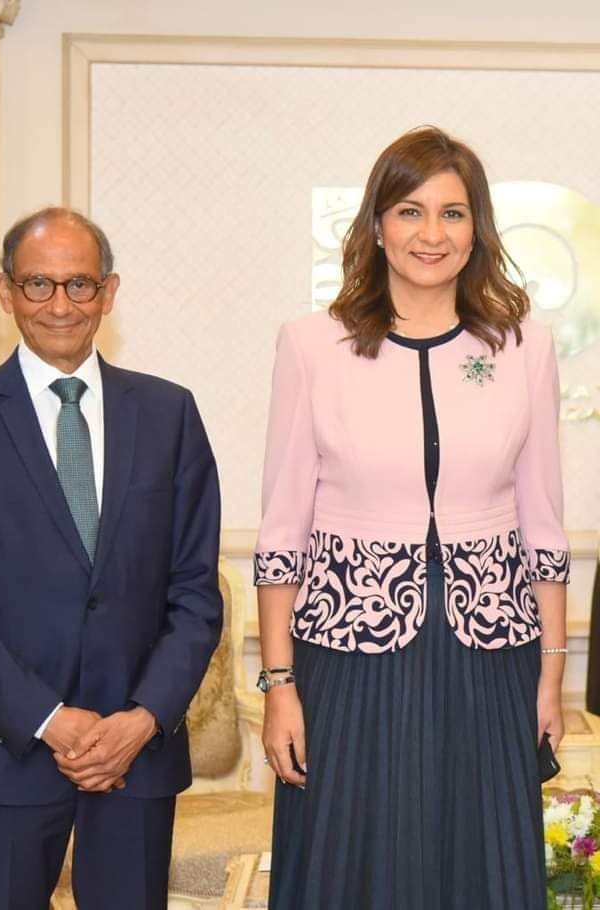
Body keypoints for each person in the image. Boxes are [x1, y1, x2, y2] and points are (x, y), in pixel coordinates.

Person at [255, 127, 569, 909]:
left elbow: (544, 525)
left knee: (479, 861)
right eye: (410, 211)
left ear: (477, 228)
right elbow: (283, 533)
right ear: (377, 225)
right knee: (349, 861)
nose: (432, 234)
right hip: (346, 653)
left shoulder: (523, 347)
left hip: (489, 653)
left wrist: (551, 676)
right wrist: (280, 686)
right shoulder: (311, 345)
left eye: (453, 213)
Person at [0, 207, 222, 910]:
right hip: (4, 752)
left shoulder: (169, 414)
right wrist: (49, 718)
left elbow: (196, 591)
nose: (60, 305)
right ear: (5, 291)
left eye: (79, 285)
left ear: (109, 292)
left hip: (136, 756)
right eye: (38, 284)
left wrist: (142, 718)